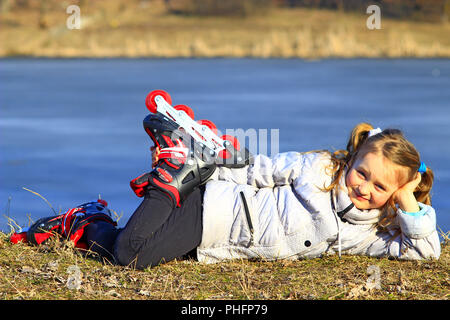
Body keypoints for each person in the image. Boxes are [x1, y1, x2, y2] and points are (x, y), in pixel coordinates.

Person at [14, 122, 441, 269]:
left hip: (212, 247)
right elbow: (259, 169)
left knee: (125, 249)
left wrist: (408, 200)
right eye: (361, 172)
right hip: (213, 207)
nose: (363, 186)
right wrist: (215, 158)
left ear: (393, 194)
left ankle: (88, 220)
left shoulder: (369, 235)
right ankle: (172, 175)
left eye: (379, 186)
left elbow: (426, 253)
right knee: (130, 255)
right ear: (351, 160)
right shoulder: (319, 171)